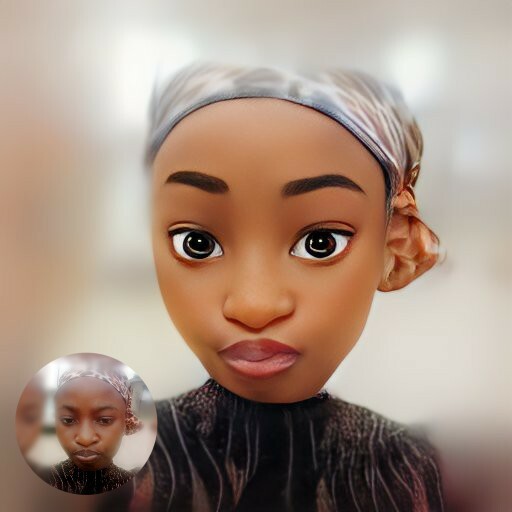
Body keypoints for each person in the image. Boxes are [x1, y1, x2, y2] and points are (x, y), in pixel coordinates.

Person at [130, 62, 445, 511]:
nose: (254, 306)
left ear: (394, 243)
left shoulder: (406, 466)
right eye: (197, 243)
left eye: (321, 243)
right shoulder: (123, 458)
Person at [48, 364, 143, 495]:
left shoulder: (138, 488)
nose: (85, 439)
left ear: (125, 422)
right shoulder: (42, 481)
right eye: (68, 420)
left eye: (104, 420)